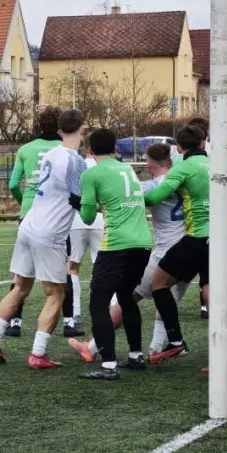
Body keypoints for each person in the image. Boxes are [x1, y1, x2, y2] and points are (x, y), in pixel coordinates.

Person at [0, 108, 87, 369]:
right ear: (82, 130)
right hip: (49, 232)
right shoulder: (76, 161)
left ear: (61, 130)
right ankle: (38, 353)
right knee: (56, 293)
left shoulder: (51, 154)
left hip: (28, 224)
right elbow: (80, 198)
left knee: (20, 286)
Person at [68, 142, 190, 363]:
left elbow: (126, 198)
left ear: (149, 163)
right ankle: (157, 350)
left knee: (130, 297)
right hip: (192, 248)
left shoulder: (154, 186)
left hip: (167, 252)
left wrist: (86, 203)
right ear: (171, 162)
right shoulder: (184, 180)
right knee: (168, 300)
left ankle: (93, 348)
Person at [73, 129, 153, 381]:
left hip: (116, 244)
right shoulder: (128, 169)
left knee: (98, 302)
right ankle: (135, 356)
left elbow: (86, 216)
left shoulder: (91, 173)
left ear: (89, 151)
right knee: (126, 298)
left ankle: (108, 365)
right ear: (115, 148)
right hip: (142, 243)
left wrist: (76, 202)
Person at [6, 106, 82, 338]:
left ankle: (14, 322)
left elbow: (12, 185)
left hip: (30, 211)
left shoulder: (26, 149)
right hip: (57, 215)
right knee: (64, 269)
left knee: (21, 277)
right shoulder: (65, 150)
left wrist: (23, 203)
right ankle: (69, 321)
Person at [144, 125, 211, 365]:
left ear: (179, 148)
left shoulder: (182, 167)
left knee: (157, 284)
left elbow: (154, 196)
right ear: (204, 143)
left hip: (197, 239)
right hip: (223, 238)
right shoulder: (218, 163)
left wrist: (130, 197)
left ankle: (175, 342)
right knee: (212, 294)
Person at [184, 116, 227, 320]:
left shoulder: (183, 156)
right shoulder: (221, 151)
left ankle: (205, 305)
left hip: (191, 217)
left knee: (202, 262)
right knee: (220, 260)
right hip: (218, 214)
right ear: (206, 135)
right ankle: (220, 303)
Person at [68, 141, 104, 324]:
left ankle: (75, 312)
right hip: (99, 219)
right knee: (102, 267)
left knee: (73, 266)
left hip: (77, 218)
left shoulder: (78, 165)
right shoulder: (103, 167)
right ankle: (107, 309)